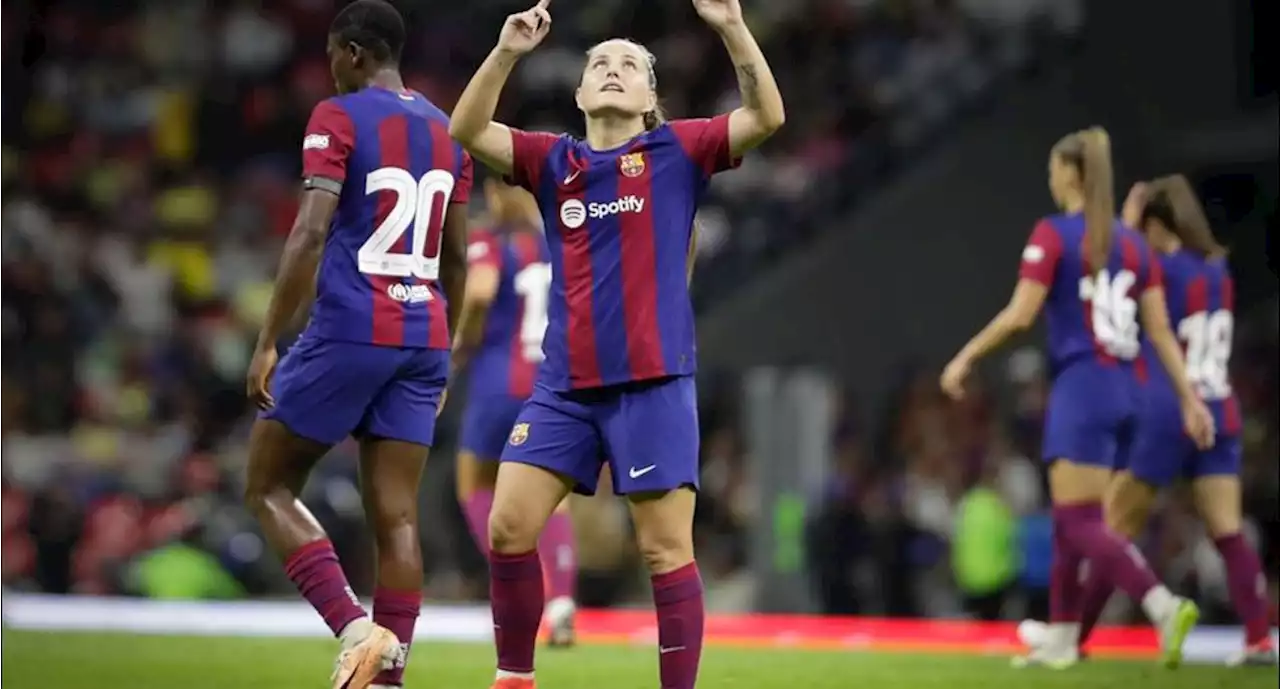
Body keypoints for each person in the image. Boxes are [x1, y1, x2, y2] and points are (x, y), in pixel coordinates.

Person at [448, 1, 784, 687]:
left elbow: (768, 117)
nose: (611, 70)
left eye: (629, 64)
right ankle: (514, 676)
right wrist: (508, 50)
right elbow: (467, 129)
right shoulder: (553, 160)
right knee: (508, 527)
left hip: (653, 384)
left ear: (650, 96)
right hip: (562, 388)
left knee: (665, 552)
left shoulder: (680, 149)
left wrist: (731, 28)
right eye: (598, 62)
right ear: (578, 92)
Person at [241, 2, 472, 688]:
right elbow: (457, 257)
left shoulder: (337, 115)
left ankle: (353, 629)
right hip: (423, 335)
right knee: (397, 518)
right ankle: (387, 677)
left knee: (268, 483)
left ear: (351, 52)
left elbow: (310, 233)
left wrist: (266, 340)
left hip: (351, 325)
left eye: (333, 57)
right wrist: (447, 349)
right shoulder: (447, 127)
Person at [940, 128, 1215, 670]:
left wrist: (966, 355)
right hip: (1126, 390)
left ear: (1072, 174)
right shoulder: (1133, 245)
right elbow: (1159, 331)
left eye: (1053, 167)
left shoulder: (1055, 233)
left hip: (1082, 384)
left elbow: (1021, 315)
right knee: (1072, 518)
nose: (1048, 176)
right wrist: (1190, 398)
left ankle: (1162, 605)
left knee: (1079, 520)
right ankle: (1064, 639)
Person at [1070, 176, 1275, 666]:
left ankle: (1072, 638)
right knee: (1228, 531)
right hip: (1220, 407)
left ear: (1159, 224)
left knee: (1112, 530)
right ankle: (1260, 640)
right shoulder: (1216, 271)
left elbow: (1104, 264)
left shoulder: (1158, 268)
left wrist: (1123, 220)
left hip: (1169, 410)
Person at [452, 178, 579, 647]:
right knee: (554, 494)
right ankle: (562, 598)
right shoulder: (559, 244)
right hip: (551, 384)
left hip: (498, 383)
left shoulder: (491, 242)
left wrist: (462, 342)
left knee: (475, 483)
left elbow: (481, 292)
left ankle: (527, 587)